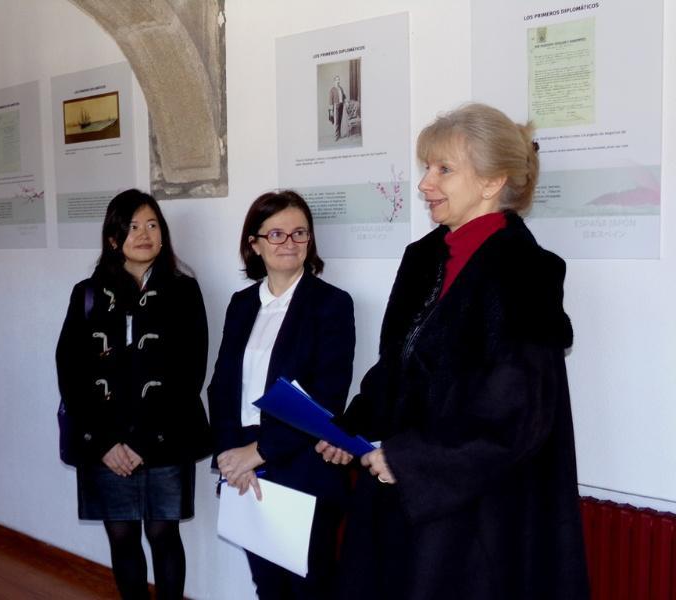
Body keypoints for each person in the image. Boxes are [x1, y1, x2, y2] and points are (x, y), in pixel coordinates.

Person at [317, 103, 590, 599]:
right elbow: (395, 365)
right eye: (428, 167)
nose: (425, 183)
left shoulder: (526, 273)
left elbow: (518, 416)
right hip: (400, 491)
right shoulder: (423, 258)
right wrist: (351, 428)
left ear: (492, 182)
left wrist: (411, 460)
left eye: (444, 169)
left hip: (476, 515)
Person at [56, 189, 211, 600]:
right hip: (104, 440)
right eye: (133, 226)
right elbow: (70, 371)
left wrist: (144, 441)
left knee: (164, 534)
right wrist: (105, 443)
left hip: (165, 435)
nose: (144, 234)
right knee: (122, 536)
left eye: (152, 225)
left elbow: (190, 373)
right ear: (113, 238)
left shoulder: (184, 291)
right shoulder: (86, 293)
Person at [208, 190, 355, 599]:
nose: (289, 243)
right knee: (268, 587)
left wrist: (260, 451)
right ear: (254, 244)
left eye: (299, 233)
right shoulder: (241, 304)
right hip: (244, 466)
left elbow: (326, 398)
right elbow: (221, 386)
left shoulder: (331, 304)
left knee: (310, 588)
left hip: (302, 463)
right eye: (276, 234)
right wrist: (230, 456)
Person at [328, 75, 347, 141]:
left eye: (339, 79)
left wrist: (345, 101)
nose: (338, 81)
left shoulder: (341, 88)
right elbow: (330, 100)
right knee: (336, 121)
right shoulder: (332, 90)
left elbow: (344, 96)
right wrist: (331, 110)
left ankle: (339, 135)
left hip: (341, 105)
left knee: (340, 120)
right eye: (336, 80)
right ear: (334, 81)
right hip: (336, 106)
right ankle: (336, 136)